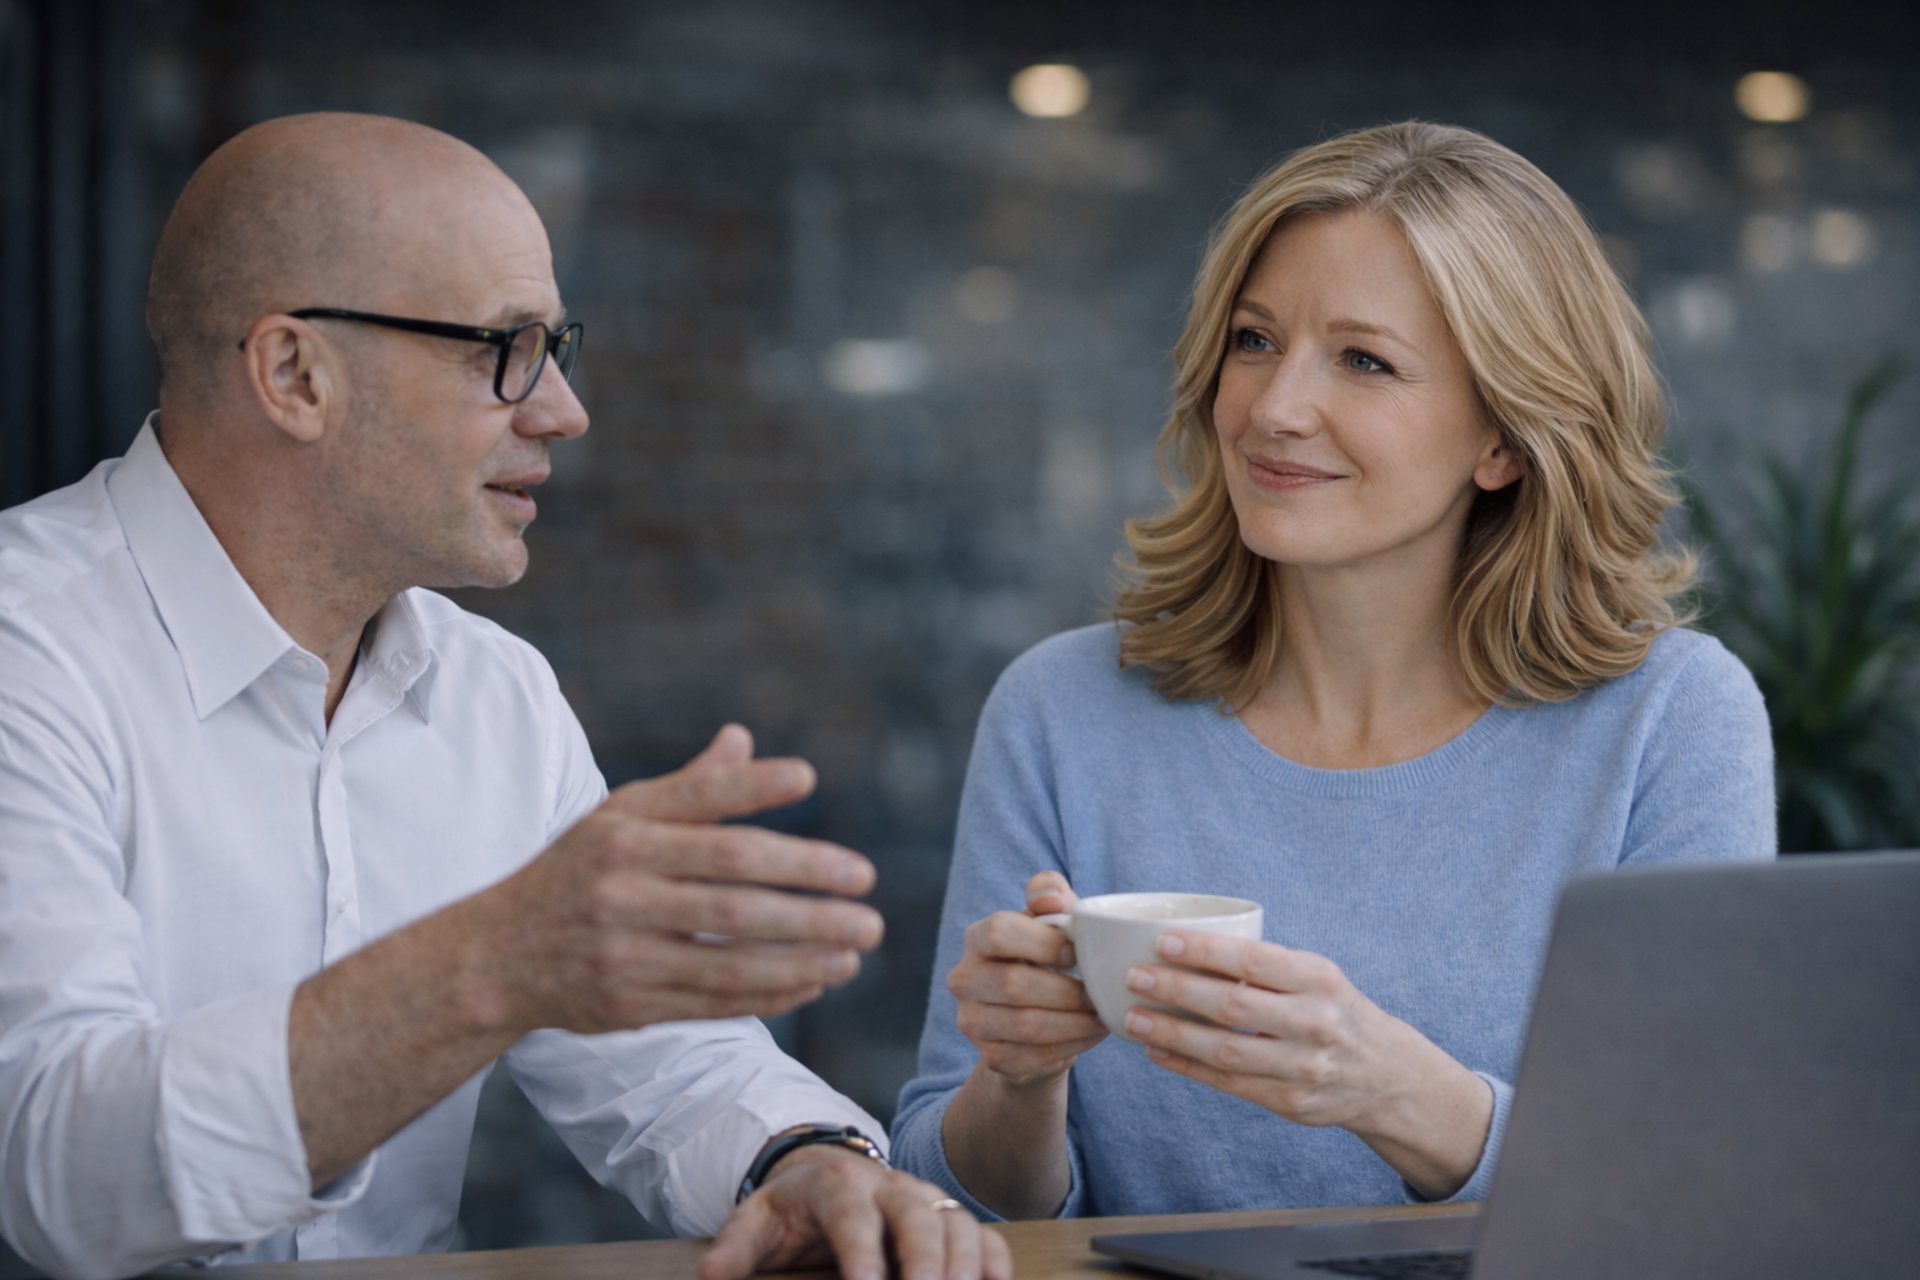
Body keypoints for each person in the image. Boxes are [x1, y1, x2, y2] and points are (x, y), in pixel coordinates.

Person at [0, 113, 1007, 1280]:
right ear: (293, 374)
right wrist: (487, 965)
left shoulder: (493, 688)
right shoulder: (29, 650)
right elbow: (56, 1170)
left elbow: (665, 1062)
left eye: (554, 345)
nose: (563, 409)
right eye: (504, 348)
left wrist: (808, 1160)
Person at [890, 121, 1776, 1222]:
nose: (1273, 406)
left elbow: (1697, 1187)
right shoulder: (1060, 711)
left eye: (1363, 360)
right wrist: (1017, 1076)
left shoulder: (1673, 719)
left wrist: (1394, 1090)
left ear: (1503, 438)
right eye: (1255, 339)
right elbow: (944, 1196)